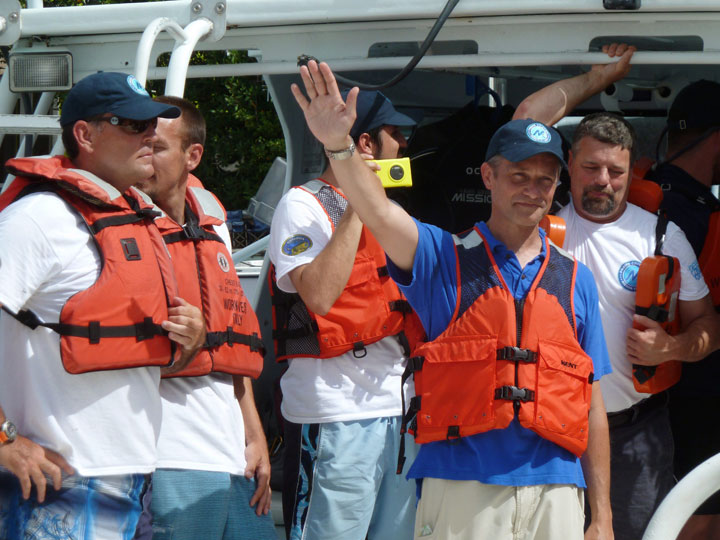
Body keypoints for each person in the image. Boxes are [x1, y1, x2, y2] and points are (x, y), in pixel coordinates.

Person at [290, 59, 614, 540]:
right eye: (518, 176)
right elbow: (377, 210)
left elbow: (592, 402)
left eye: (545, 179)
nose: (532, 190)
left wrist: (602, 515)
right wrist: (338, 144)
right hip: (463, 487)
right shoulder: (442, 257)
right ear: (488, 177)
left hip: (557, 489)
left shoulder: (576, 280)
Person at [0, 72, 206, 539]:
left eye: (151, 124)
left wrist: (188, 341)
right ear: (85, 134)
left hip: (135, 477)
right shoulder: (37, 218)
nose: (149, 134)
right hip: (58, 482)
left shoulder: (141, 218)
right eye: (132, 125)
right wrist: (3, 440)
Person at [268, 88, 424, 540]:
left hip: (398, 411)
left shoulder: (392, 213)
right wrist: (361, 203)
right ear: (367, 146)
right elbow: (317, 295)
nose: (403, 145)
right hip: (334, 414)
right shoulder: (301, 205)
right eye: (395, 134)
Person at [557, 112, 720, 540]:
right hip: (552, 436)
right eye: (591, 167)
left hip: (634, 436)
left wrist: (670, 348)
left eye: (616, 170)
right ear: (570, 163)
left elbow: (709, 327)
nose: (603, 180)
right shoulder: (538, 233)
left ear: (633, 170)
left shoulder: (664, 238)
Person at [132, 95, 276, 540]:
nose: (143, 160)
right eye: (139, 147)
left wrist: (254, 434)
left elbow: (232, 345)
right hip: (169, 455)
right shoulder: (125, 229)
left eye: (156, 148)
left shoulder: (213, 224)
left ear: (192, 155)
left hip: (234, 453)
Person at [646, 80, 720, 540]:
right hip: (701, 393)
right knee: (701, 515)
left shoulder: (640, 196)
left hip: (650, 397)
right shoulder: (703, 214)